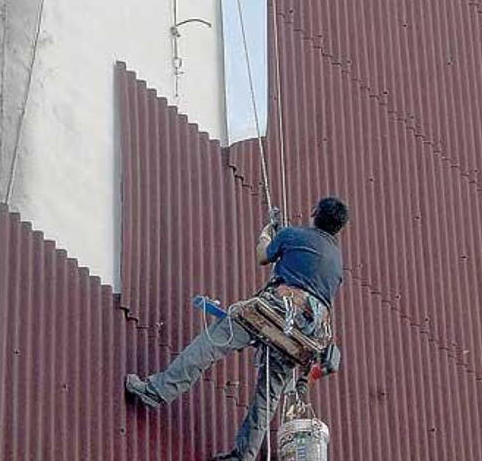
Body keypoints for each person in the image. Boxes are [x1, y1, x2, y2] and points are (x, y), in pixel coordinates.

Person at [125, 196, 349, 461]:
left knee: (208, 345)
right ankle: (244, 456)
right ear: (339, 228)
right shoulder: (337, 265)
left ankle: (156, 391)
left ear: (315, 214)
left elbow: (262, 257)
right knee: (267, 398)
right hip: (299, 338)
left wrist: (266, 236)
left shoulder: (293, 235)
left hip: (271, 314)